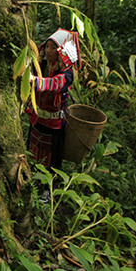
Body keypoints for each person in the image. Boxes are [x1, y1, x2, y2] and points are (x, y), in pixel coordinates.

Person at [25, 29, 81, 203]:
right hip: (37, 120)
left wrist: (37, 82)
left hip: (55, 124)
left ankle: (47, 191)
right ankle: (33, 182)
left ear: (61, 53)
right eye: (47, 47)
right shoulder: (41, 66)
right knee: (33, 154)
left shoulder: (67, 74)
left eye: (53, 48)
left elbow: (56, 84)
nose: (48, 51)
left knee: (51, 161)